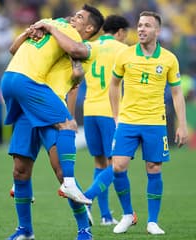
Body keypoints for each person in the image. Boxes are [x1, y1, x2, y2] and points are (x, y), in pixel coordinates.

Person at [1, 4, 104, 240]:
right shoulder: (57, 37)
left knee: (60, 171)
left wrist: (48, 26)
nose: (73, 19)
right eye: (74, 15)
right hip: (31, 103)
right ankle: (25, 230)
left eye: (80, 17)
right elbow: (22, 50)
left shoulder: (86, 48)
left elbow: (77, 69)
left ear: (89, 28)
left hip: (51, 106)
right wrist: (37, 30)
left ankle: (84, 229)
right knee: (20, 171)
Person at [109, 11, 188, 235]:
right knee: (117, 166)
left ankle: (152, 221)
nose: (141, 29)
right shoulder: (125, 55)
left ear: (157, 31)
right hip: (128, 121)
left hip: (155, 122)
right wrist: (116, 116)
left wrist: (182, 124)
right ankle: (127, 214)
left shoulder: (169, 59)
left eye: (147, 26)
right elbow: (114, 85)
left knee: (153, 168)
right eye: (140, 25)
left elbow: (177, 93)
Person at [81, 15, 129, 226]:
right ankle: (86, 198)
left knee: (100, 162)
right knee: (117, 164)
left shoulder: (89, 47)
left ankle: (105, 216)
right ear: (119, 32)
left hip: (89, 109)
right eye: (125, 34)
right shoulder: (123, 50)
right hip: (111, 111)